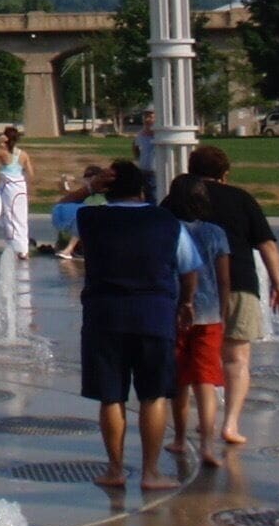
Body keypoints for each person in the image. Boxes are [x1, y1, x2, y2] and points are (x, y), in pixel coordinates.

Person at [52, 160, 202, 491]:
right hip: (154, 314)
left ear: (108, 190)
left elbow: (58, 211)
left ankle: (115, 469)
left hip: (104, 316)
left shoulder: (90, 217)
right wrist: (186, 302)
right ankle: (150, 472)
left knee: (111, 396)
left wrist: (89, 188)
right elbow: (189, 265)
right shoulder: (167, 222)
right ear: (142, 190)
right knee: (153, 395)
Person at [187, 144, 279, 447]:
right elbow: (266, 244)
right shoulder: (242, 198)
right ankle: (230, 424)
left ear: (191, 170)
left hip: (194, 289)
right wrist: (278, 283)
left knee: (197, 358)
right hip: (240, 283)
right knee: (236, 358)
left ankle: (204, 422)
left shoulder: (180, 198)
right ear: (225, 175)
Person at [161, 172, 231, 466]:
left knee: (179, 380)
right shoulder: (215, 233)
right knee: (205, 379)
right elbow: (224, 278)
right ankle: (207, 445)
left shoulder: (167, 230)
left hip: (173, 312)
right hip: (209, 312)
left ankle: (179, 439)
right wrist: (224, 312)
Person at [0, 125, 33, 253]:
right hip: (20, 187)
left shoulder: (3, 153)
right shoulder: (23, 154)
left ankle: (15, 246)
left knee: (10, 216)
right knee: (21, 217)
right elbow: (30, 173)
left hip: (9, 188)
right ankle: (23, 248)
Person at [48, 165, 107, 260]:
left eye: (91, 176)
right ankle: (66, 245)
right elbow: (69, 196)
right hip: (83, 228)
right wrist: (64, 183)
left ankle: (69, 248)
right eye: (86, 176)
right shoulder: (85, 193)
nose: (88, 178)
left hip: (93, 228)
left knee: (82, 217)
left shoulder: (102, 195)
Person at [132, 111, 158, 202]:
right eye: (146, 117)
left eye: (151, 117)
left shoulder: (159, 135)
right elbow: (135, 148)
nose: (147, 120)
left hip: (155, 172)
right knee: (146, 195)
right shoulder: (140, 135)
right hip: (143, 170)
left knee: (154, 196)